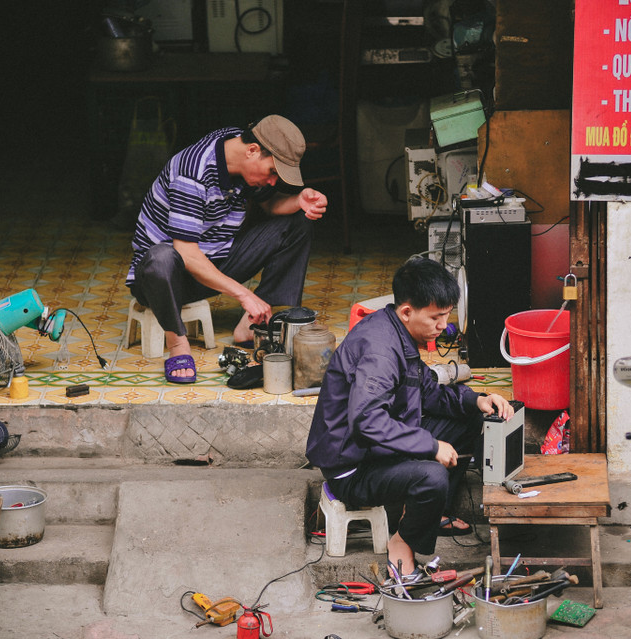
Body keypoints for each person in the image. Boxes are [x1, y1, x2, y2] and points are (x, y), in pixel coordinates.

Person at [305, 257, 512, 577]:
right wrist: (430, 446)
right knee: (432, 475)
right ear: (406, 312)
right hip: (353, 465)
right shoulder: (380, 351)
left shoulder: (398, 332)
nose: (444, 326)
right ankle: (402, 542)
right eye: (436, 317)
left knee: (474, 417)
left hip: (377, 447)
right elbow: (367, 422)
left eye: (446, 316)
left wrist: (479, 400)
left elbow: (430, 392)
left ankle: (431, 511)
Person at [126, 115, 328, 383]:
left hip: (214, 263)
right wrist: (244, 294)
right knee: (161, 258)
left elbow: (270, 205)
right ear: (253, 151)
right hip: (161, 280)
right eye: (272, 172)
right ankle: (177, 346)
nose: (272, 181)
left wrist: (299, 200)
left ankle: (253, 325)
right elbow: (186, 254)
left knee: (299, 222)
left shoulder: (236, 149)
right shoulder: (192, 172)